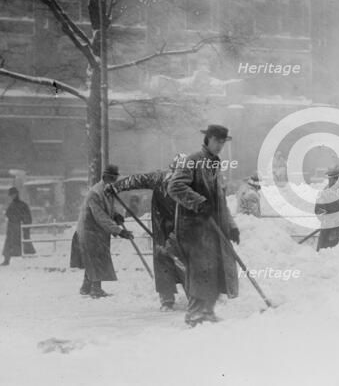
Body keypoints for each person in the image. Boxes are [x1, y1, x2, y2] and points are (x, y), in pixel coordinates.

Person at [168, 125, 240, 326]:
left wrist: (232, 226)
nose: (220, 145)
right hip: (194, 229)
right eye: (217, 141)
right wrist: (199, 202)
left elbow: (221, 201)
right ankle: (194, 314)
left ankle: (207, 312)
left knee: (214, 271)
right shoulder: (192, 161)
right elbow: (174, 187)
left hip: (213, 229)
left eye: (223, 142)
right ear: (207, 139)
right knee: (200, 271)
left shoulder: (215, 165)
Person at [106, 154, 187, 311]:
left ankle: (194, 295)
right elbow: (136, 180)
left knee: (185, 261)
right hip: (162, 227)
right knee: (164, 261)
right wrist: (117, 187)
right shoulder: (159, 178)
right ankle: (167, 299)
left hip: (183, 228)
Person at [75, 165, 134, 298]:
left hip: (98, 231)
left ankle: (85, 288)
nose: (114, 181)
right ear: (105, 177)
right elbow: (100, 216)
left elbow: (107, 209)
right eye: (112, 178)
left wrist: (115, 215)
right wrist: (119, 231)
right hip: (89, 230)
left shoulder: (107, 191)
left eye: (116, 178)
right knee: (95, 258)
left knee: (94, 258)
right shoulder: (95, 193)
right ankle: (96, 290)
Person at [2, 187, 35, 266]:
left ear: (16, 194)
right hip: (12, 229)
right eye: (11, 195)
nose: (12, 196)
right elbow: (8, 215)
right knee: (8, 245)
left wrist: (25, 226)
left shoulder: (22, 205)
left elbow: (27, 217)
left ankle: (29, 261)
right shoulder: (12, 205)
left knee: (25, 245)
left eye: (13, 194)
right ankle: (6, 260)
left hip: (20, 228)